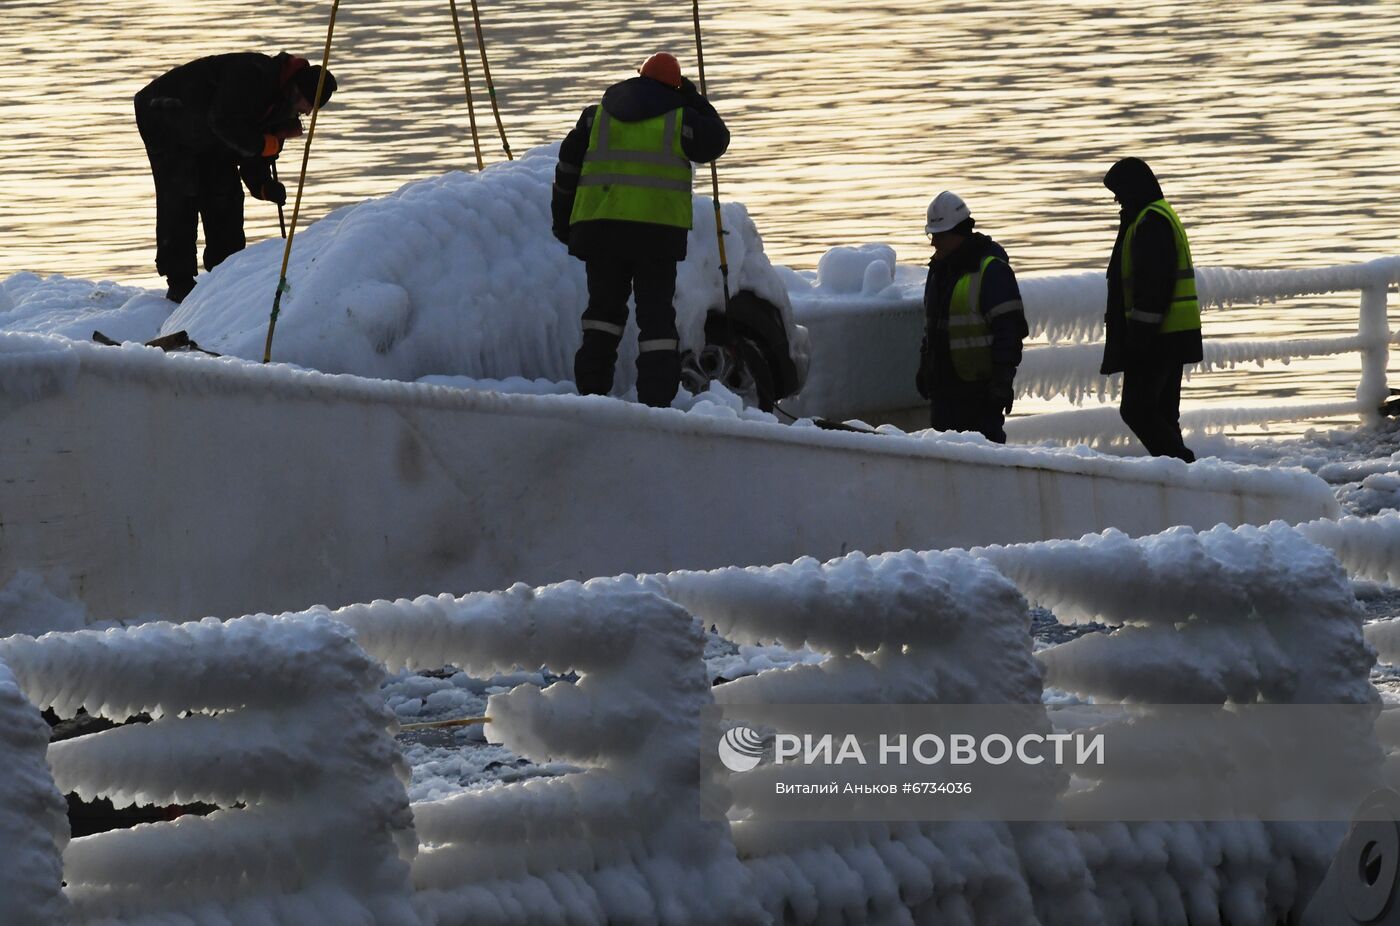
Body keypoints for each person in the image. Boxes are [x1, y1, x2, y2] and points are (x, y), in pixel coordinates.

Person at [551, 52, 729, 408]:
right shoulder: (680, 120)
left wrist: (564, 222)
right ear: (673, 88)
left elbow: (567, 170)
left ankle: (591, 397)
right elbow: (717, 140)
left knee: (602, 316)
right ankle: (656, 403)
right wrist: (693, 98)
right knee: (656, 321)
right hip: (655, 237)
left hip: (601, 231)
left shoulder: (595, 117)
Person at [134, 53, 338, 303]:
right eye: (303, 103)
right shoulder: (254, 74)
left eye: (307, 110)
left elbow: (255, 154)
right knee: (181, 194)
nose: (302, 112)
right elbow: (224, 121)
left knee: (226, 196)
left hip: (211, 134)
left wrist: (263, 186)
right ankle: (180, 282)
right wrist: (262, 144)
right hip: (167, 114)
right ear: (294, 87)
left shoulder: (284, 106)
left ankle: (224, 273)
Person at [1100, 157, 1202, 462]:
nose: (1116, 200)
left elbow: (1154, 288)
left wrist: (1138, 341)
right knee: (1163, 413)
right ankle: (1182, 481)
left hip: (1157, 337)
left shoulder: (1150, 222)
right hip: (1171, 334)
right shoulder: (1154, 216)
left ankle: (1185, 469)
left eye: (1118, 193)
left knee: (1137, 409)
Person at [915, 191, 1028, 443]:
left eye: (939, 236)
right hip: (943, 391)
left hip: (979, 392)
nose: (933, 243)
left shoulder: (991, 271)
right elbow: (932, 327)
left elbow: (1009, 330)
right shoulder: (939, 271)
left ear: (958, 233)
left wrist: (1001, 382)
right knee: (945, 459)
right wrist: (925, 365)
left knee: (985, 458)